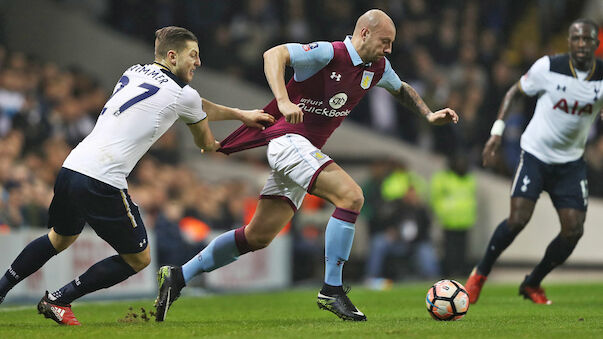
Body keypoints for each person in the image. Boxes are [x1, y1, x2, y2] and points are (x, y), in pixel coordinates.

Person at [154, 9, 458, 322]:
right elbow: (274, 54)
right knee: (352, 196)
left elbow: (402, 88)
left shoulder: (377, 67)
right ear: (365, 33)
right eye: (385, 41)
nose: (389, 49)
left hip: (303, 149)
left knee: (257, 236)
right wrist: (284, 101)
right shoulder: (329, 53)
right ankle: (332, 289)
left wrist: (427, 113)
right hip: (287, 141)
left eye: (392, 44)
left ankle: (177, 276)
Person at [0, 26, 273, 325]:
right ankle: (59, 299)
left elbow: (197, 105)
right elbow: (205, 140)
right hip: (102, 178)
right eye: (193, 55)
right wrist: (229, 144)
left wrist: (240, 114)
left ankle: (2, 290)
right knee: (139, 259)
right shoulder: (184, 95)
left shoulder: (135, 71)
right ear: (172, 56)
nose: (198, 62)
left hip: (72, 166)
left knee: (59, 238)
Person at [466, 18, 602, 305]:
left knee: (574, 230)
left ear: (595, 43)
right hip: (536, 155)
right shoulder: (548, 67)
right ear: (569, 41)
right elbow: (514, 92)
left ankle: (532, 282)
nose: (581, 44)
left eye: (587, 39)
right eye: (576, 38)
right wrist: (497, 132)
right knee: (518, 220)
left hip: (571, 162)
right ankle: (480, 273)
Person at [430, 153, 477, 276]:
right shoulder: (443, 179)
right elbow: (436, 198)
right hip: (449, 220)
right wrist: (442, 213)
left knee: (463, 250)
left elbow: (470, 198)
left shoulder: (469, 178)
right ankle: (448, 272)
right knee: (449, 250)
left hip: (465, 220)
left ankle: (461, 272)